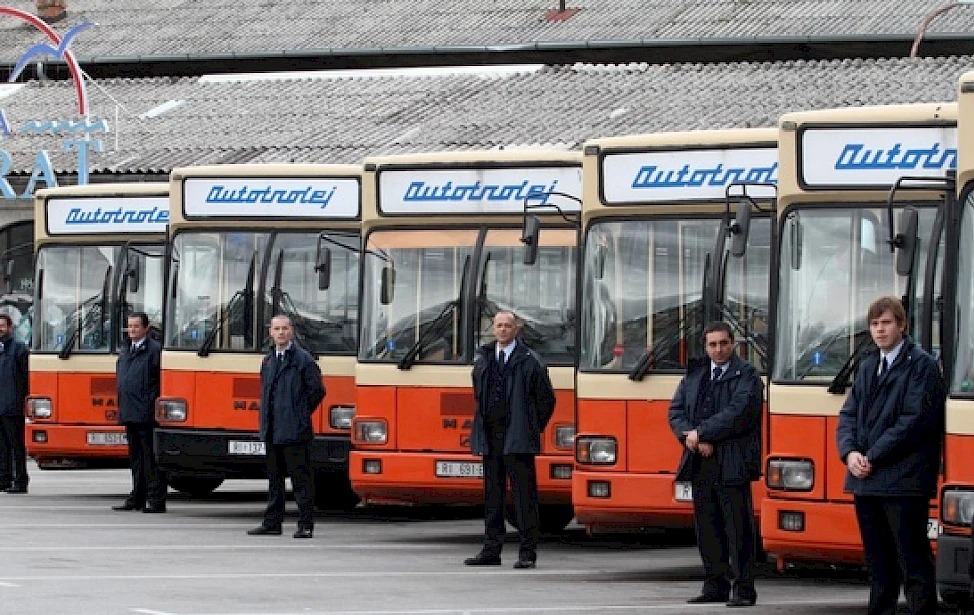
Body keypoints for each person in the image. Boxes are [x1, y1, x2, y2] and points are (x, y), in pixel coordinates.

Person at [836, 296, 945, 615]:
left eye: (886, 323)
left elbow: (914, 421)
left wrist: (871, 456)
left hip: (904, 481)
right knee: (878, 565)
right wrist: (850, 452)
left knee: (913, 561)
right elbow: (848, 415)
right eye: (874, 324)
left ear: (902, 325)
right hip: (866, 481)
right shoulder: (868, 364)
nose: (880, 330)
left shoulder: (921, 365)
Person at [668, 321, 763, 608]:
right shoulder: (695, 375)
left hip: (733, 462)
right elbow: (675, 412)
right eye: (712, 345)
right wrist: (691, 438)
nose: (718, 350)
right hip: (701, 462)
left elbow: (739, 413)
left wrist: (703, 433)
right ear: (706, 346)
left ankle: (744, 589)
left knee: (738, 529)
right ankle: (714, 585)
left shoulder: (747, 375)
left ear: (733, 344)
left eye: (723, 343)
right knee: (707, 529)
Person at [464, 310, 556, 569]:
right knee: (492, 497)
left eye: (507, 326)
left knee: (524, 497)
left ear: (516, 330)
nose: (503, 330)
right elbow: (478, 394)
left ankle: (527, 552)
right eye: (499, 325)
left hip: (518, 439)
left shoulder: (530, 361)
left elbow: (546, 400)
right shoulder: (483, 359)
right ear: (493, 329)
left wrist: (530, 427)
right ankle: (491, 550)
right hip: (490, 438)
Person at [247, 314, 324, 539]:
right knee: (274, 480)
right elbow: (266, 392)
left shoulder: (303, 359)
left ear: (292, 331)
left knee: (301, 481)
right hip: (272, 430)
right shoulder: (268, 360)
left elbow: (317, 391)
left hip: (295, 431)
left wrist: (299, 412)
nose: (281, 333)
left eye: (285, 329)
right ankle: (272, 523)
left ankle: (305, 524)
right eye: (276, 329)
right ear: (270, 332)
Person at [113, 312, 166, 512]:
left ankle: (155, 499)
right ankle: (137, 497)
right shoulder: (126, 348)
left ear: (146, 328)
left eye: (136, 326)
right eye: (129, 326)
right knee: (136, 458)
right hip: (129, 410)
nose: (132, 330)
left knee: (150, 458)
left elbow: (157, 380)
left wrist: (149, 402)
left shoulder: (154, 350)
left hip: (146, 412)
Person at [0, 312, 29, 494]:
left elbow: (26, 378)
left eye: (2, 326)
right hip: (0, 407)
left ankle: (21, 481)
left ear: (10, 328)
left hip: (13, 406)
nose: (0, 329)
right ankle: (4, 479)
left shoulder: (19, 349)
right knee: (2, 447)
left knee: (17, 447)